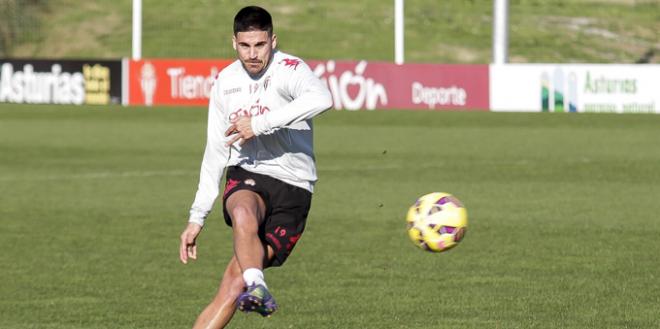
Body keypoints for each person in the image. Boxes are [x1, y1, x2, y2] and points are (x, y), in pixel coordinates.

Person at [178, 5, 333, 329]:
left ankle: (251, 283)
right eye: (245, 45)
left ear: (273, 41)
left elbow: (322, 98)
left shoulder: (290, 68)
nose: (252, 54)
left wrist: (259, 124)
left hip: (294, 185)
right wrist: (196, 217)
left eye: (260, 45)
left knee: (232, 287)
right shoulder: (225, 81)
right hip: (248, 170)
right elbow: (215, 150)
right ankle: (259, 288)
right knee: (243, 213)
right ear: (233, 42)